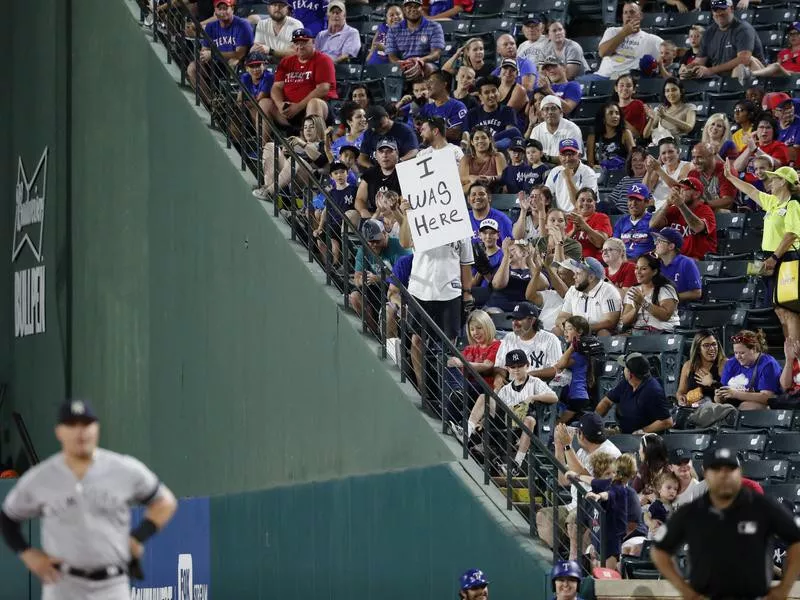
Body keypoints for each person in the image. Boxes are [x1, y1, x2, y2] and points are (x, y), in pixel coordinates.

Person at [0, 399, 178, 598]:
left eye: (86, 424)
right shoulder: (41, 477)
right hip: (63, 585)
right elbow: (8, 517)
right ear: (59, 431)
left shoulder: (123, 469)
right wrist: (27, 554)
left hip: (112, 585)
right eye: (72, 425)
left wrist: (139, 536)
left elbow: (164, 501)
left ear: (97, 428)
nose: (80, 432)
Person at [651, 447, 800, 600]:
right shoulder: (692, 511)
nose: (724, 475)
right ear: (706, 474)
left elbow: (796, 541)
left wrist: (784, 588)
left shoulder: (763, 506)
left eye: (730, 469)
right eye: (717, 470)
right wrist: (685, 590)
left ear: (739, 472)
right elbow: (659, 551)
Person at [399, 199, 474, 392]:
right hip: (420, 290)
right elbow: (405, 242)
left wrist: (467, 294)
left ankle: (446, 392)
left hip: (450, 291)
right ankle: (422, 388)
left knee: (448, 345)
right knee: (417, 340)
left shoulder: (460, 226)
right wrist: (408, 215)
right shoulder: (419, 219)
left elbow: (466, 264)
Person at [723, 162, 800, 339]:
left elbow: (791, 234)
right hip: (771, 257)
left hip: (785, 258)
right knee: (780, 309)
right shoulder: (773, 202)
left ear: (782, 182)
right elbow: (751, 191)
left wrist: (774, 257)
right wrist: (731, 177)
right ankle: (792, 356)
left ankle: (796, 357)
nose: (770, 183)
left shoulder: (793, 205)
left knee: (790, 308)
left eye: (773, 180)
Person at [454, 350, 556, 466]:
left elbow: (554, 397)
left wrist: (533, 396)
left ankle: (517, 462)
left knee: (530, 420)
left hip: (522, 422)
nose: (516, 369)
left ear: (527, 365)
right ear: (508, 369)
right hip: (505, 419)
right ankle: (466, 433)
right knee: (484, 397)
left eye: (520, 366)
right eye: (513, 367)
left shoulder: (535, 382)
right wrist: (481, 421)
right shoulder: (506, 388)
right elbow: (494, 405)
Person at [540, 415, 622, 555]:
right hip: (575, 504)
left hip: (596, 507)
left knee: (574, 521)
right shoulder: (582, 451)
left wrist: (567, 446)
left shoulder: (609, 452)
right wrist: (560, 448)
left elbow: (587, 477)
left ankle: (577, 563)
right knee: (544, 516)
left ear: (582, 435)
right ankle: (554, 559)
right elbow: (563, 480)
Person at [349, 219, 412, 332]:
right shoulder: (364, 250)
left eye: (377, 241)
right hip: (376, 290)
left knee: (391, 308)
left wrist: (379, 279)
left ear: (385, 234)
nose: (373, 245)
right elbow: (356, 278)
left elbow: (405, 279)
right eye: (370, 241)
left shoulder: (399, 247)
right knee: (354, 297)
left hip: (397, 290)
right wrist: (361, 279)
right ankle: (376, 333)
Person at [187, 0, 254, 105]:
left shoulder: (242, 25)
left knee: (233, 62)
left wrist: (213, 54)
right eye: (220, 8)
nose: (222, 12)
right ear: (215, 10)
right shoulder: (210, 26)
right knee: (193, 68)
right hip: (217, 64)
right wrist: (205, 54)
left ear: (232, 9)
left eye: (226, 8)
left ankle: (230, 108)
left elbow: (240, 54)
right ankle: (213, 103)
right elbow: (205, 50)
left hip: (238, 66)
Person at [269, 28, 337, 128]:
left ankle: (314, 142)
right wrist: (280, 105)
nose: (300, 46)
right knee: (264, 104)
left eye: (304, 42)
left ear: (313, 42)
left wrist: (298, 107)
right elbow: (276, 87)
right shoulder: (286, 61)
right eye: (296, 43)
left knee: (314, 103)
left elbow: (323, 89)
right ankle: (264, 143)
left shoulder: (323, 60)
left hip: (317, 108)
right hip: (290, 110)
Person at [254, 114, 329, 199]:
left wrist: (302, 144)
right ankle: (267, 186)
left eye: (311, 127)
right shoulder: (297, 144)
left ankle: (269, 192)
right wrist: (285, 152)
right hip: (287, 179)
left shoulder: (324, 145)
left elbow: (322, 162)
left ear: (319, 128)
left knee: (295, 160)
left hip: (306, 181)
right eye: (305, 127)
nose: (307, 130)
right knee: (271, 146)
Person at [596, 352, 674, 434]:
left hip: (645, 439)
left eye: (625, 368)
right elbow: (607, 402)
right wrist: (595, 420)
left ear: (630, 374)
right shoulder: (625, 383)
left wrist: (642, 431)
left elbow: (667, 422)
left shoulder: (653, 391)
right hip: (622, 432)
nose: (623, 370)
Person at [687, 0, 765, 81]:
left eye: (722, 9)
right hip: (719, 79)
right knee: (685, 76)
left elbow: (744, 59)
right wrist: (687, 68)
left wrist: (711, 70)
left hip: (752, 77)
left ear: (731, 8)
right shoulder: (709, 32)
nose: (719, 13)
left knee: (739, 68)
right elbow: (699, 61)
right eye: (715, 10)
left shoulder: (743, 29)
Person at [585, 453, 638, 569]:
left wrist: (599, 496)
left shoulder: (623, 490)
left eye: (614, 473)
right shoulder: (594, 492)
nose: (612, 477)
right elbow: (591, 524)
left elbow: (609, 494)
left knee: (608, 575)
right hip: (599, 541)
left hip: (614, 541)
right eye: (607, 474)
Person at [493, 302, 563, 385]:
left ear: (532, 320)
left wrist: (529, 375)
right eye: (513, 319)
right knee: (483, 397)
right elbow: (500, 366)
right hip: (512, 387)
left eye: (519, 319)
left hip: (540, 388)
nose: (515, 323)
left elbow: (556, 369)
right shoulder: (509, 338)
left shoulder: (550, 339)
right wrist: (499, 376)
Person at [649, 177, 718, 260]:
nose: (680, 192)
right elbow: (653, 224)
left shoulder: (705, 210)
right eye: (679, 188)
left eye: (684, 189)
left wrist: (681, 205)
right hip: (674, 257)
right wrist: (667, 203)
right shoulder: (674, 209)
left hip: (698, 260)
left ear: (696, 194)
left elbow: (697, 227)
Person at [593, 1, 663, 81]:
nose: (628, 15)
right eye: (625, 13)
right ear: (622, 16)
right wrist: (624, 33)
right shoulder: (611, 31)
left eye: (632, 12)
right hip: (603, 77)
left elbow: (672, 53)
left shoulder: (652, 39)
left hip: (629, 80)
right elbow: (602, 53)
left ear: (640, 15)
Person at [554, 257, 622, 337]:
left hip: (597, 333)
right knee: (556, 331)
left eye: (578, 273)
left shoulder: (609, 291)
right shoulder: (573, 290)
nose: (574, 277)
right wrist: (567, 327)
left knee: (603, 333)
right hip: (577, 332)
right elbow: (562, 317)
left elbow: (610, 322)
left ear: (591, 277)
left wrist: (583, 329)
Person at [717, 329, 782, 411]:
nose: (738, 357)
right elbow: (723, 395)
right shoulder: (731, 363)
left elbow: (767, 398)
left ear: (754, 349)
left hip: (766, 407)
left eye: (742, 353)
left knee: (746, 406)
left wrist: (735, 394)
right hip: (734, 405)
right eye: (736, 353)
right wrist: (718, 397)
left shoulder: (768, 364)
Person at [385, 0, 445, 81]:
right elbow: (392, 56)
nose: (413, 9)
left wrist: (420, 61)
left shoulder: (435, 26)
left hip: (426, 64)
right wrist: (403, 64)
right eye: (409, 7)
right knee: (391, 73)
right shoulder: (393, 29)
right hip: (404, 65)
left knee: (426, 68)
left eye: (416, 6)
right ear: (403, 9)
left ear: (422, 8)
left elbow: (436, 53)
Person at [621, 254, 680, 334]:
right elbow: (625, 321)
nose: (638, 272)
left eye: (643, 269)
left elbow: (665, 316)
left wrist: (643, 303)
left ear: (654, 272)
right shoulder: (633, 290)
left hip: (663, 333)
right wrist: (636, 309)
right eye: (636, 268)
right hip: (639, 333)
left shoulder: (665, 289)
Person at [553, 316, 595, 423]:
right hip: (572, 397)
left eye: (570, 329)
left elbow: (560, 365)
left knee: (556, 427)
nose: (565, 332)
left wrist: (571, 347)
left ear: (580, 331)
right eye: (565, 330)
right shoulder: (577, 351)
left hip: (578, 398)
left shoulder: (579, 353)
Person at [462, 76, 522, 152]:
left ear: (498, 92)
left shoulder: (507, 111)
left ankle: (488, 145)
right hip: (478, 151)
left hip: (498, 150)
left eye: (494, 91)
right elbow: (466, 137)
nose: (491, 95)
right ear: (480, 96)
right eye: (486, 92)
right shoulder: (471, 114)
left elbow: (510, 134)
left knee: (511, 135)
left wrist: (488, 141)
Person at [545, 138, 599, 213]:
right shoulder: (555, 172)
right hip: (561, 218)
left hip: (583, 216)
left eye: (571, 154)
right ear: (559, 157)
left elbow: (582, 205)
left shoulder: (589, 174)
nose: (567, 158)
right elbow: (545, 198)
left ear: (579, 155)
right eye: (563, 155)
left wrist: (568, 178)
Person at [733, 115, 791, 185]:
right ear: (755, 131)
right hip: (748, 187)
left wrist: (755, 150)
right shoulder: (749, 147)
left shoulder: (779, 146)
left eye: (768, 128)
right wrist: (749, 148)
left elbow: (776, 165)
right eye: (761, 127)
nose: (764, 131)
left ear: (773, 131)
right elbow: (737, 167)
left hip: (769, 186)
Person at [355, 138, 403, 219]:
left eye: (389, 151)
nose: (384, 155)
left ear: (397, 153)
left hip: (398, 217)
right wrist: (363, 211)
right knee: (351, 214)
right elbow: (360, 199)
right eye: (381, 151)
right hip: (375, 215)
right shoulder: (370, 173)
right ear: (376, 155)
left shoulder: (405, 171)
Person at [651, 228, 702, 304]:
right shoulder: (656, 263)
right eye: (656, 240)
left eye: (660, 241)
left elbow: (697, 293)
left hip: (682, 309)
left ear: (671, 246)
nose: (656, 243)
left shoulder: (686, 263)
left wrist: (670, 298)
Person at [486, 238, 537, 312]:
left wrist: (530, 260)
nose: (508, 252)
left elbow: (543, 285)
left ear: (523, 253)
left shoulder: (534, 271)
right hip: (497, 309)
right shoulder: (501, 270)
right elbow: (498, 285)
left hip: (523, 312)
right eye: (506, 250)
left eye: (512, 250)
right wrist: (506, 256)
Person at [529, 96, 583, 165]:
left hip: (567, 168)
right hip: (542, 169)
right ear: (542, 113)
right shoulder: (536, 130)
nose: (550, 112)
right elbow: (531, 158)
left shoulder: (572, 128)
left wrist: (547, 158)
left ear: (560, 112)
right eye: (546, 109)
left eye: (553, 108)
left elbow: (572, 158)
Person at [418, 71, 468, 143]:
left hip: (450, 151)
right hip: (428, 151)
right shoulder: (426, 107)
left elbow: (456, 133)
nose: (427, 86)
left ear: (444, 84)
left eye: (431, 82)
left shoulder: (457, 106)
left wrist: (430, 129)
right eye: (427, 83)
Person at [643, 138, 693, 212]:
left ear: (678, 152)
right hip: (657, 213)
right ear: (660, 156)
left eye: (670, 151)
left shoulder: (687, 166)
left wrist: (658, 169)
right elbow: (644, 191)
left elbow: (679, 187)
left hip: (676, 212)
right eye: (663, 153)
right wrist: (649, 172)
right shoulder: (659, 169)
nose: (667, 155)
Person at [677, 330, 725, 407]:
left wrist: (712, 382)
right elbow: (681, 391)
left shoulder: (724, 364)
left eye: (714, 344)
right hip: (691, 408)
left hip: (714, 410)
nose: (712, 348)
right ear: (698, 349)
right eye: (706, 345)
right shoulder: (688, 365)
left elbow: (729, 392)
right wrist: (680, 397)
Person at [642, 78, 697, 143]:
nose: (670, 93)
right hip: (658, 145)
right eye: (667, 91)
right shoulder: (661, 110)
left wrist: (665, 116)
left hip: (676, 145)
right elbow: (645, 135)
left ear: (681, 91)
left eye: (674, 90)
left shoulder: (690, 107)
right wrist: (651, 119)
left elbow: (689, 127)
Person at [686, 142, 736, 211]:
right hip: (701, 212)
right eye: (694, 157)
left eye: (700, 157)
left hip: (726, 214)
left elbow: (727, 202)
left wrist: (703, 204)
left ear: (711, 156)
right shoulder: (693, 174)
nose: (695, 161)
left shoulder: (725, 172)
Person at [587, 102, 635, 173]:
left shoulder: (625, 133)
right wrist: (594, 167)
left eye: (617, 113)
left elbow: (634, 156)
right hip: (601, 175)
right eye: (610, 113)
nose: (615, 116)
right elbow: (590, 163)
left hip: (621, 173)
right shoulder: (592, 137)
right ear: (603, 118)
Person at [567, 188, 612, 261]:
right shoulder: (570, 219)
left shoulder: (602, 218)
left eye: (589, 201)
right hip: (570, 261)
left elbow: (601, 243)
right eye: (582, 200)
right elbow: (561, 244)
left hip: (592, 262)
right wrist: (573, 231)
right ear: (576, 204)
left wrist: (585, 226)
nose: (585, 203)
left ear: (595, 204)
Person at [613, 183, 655, 259]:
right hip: (623, 263)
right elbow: (614, 245)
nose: (633, 203)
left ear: (647, 202)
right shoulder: (622, 221)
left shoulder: (653, 221)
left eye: (638, 200)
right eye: (630, 200)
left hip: (644, 264)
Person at [605, 147, 649, 215]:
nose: (638, 163)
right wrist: (605, 203)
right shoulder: (625, 179)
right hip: (615, 211)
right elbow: (611, 198)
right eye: (634, 160)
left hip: (629, 214)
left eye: (642, 160)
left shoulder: (650, 180)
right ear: (630, 165)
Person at [632, 433, 670, 503]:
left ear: (648, 451)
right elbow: (634, 490)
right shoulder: (644, 466)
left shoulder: (667, 471)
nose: (639, 451)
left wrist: (648, 498)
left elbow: (668, 499)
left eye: (640, 448)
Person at [644, 471, 679, 537]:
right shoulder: (657, 505)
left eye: (675, 489)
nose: (672, 491)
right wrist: (650, 523)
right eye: (668, 488)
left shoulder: (673, 505)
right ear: (659, 489)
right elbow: (646, 516)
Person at [613, 74, 646, 140]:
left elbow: (637, 134)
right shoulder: (612, 107)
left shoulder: (637, 104)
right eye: (621, 85)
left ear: (634, 89)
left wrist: (620, 119)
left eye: (628, 86)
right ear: (616, 88)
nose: (625, 88)